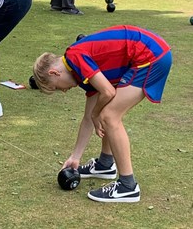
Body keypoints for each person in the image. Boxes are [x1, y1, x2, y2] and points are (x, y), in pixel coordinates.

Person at [33, 25, 172, 203]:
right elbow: (88, 117)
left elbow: (107, 92)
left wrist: (96, 114)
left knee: (109, 116)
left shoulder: (75, 57)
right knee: (105, 113)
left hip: (151, 56)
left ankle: (128, 186)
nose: (64, 91)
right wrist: (75, 157)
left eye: (56, 87)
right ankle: (105, 165)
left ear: (54, 73)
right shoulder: (78, 70)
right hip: (150, 53)